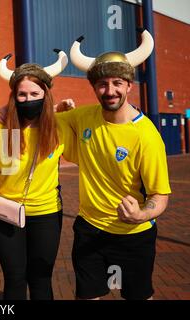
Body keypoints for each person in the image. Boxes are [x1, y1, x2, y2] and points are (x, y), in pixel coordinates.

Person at [57, 29, 171, 300]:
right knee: (87, 295)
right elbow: (39, 120)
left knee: (137, 296)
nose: (110, 91)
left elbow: (160, 196)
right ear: (94, 87)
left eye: (117, 83)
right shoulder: (83, 117)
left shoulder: (146, 136)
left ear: (129, 86)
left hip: (132, 234)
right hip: (89, 230)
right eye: (102, 84)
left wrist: (142, 214)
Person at [0, 50, 75, 300]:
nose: (28, 99)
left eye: (35, 94)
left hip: (46, 213)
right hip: (6, 213)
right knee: (14, 278)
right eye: (22, 94)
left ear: (45, 95)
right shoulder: (2, 127)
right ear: (14, 96)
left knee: (41, 279)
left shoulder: (59, 126)